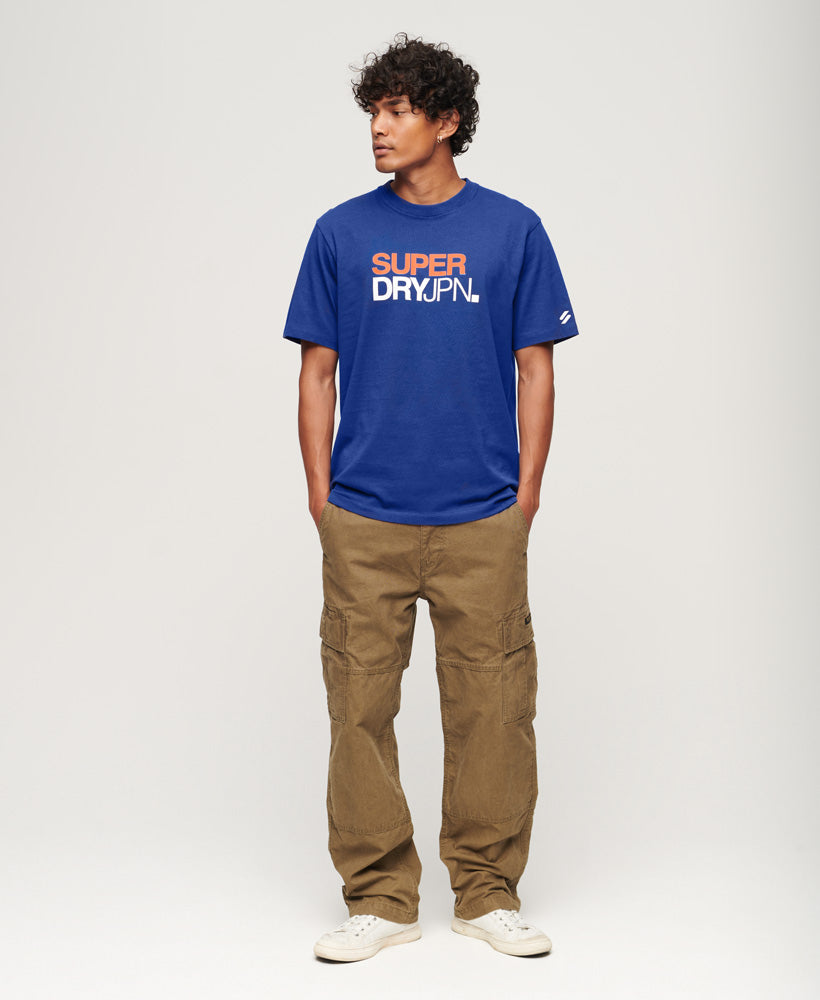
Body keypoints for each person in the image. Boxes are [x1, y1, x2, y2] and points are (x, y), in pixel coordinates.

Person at [282, 32, 579, 962]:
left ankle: (487, 892)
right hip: (364, 517)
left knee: (494, 708)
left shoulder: (511, 230)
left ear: (447, 121)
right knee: (358, 709)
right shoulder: (340, 233)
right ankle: (381, 897)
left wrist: (525, 496)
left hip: (482, 516)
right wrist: (323, 497)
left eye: (399, 110)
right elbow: (316, 372)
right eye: (374, 111)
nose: (379, 127)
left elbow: (537, 368)